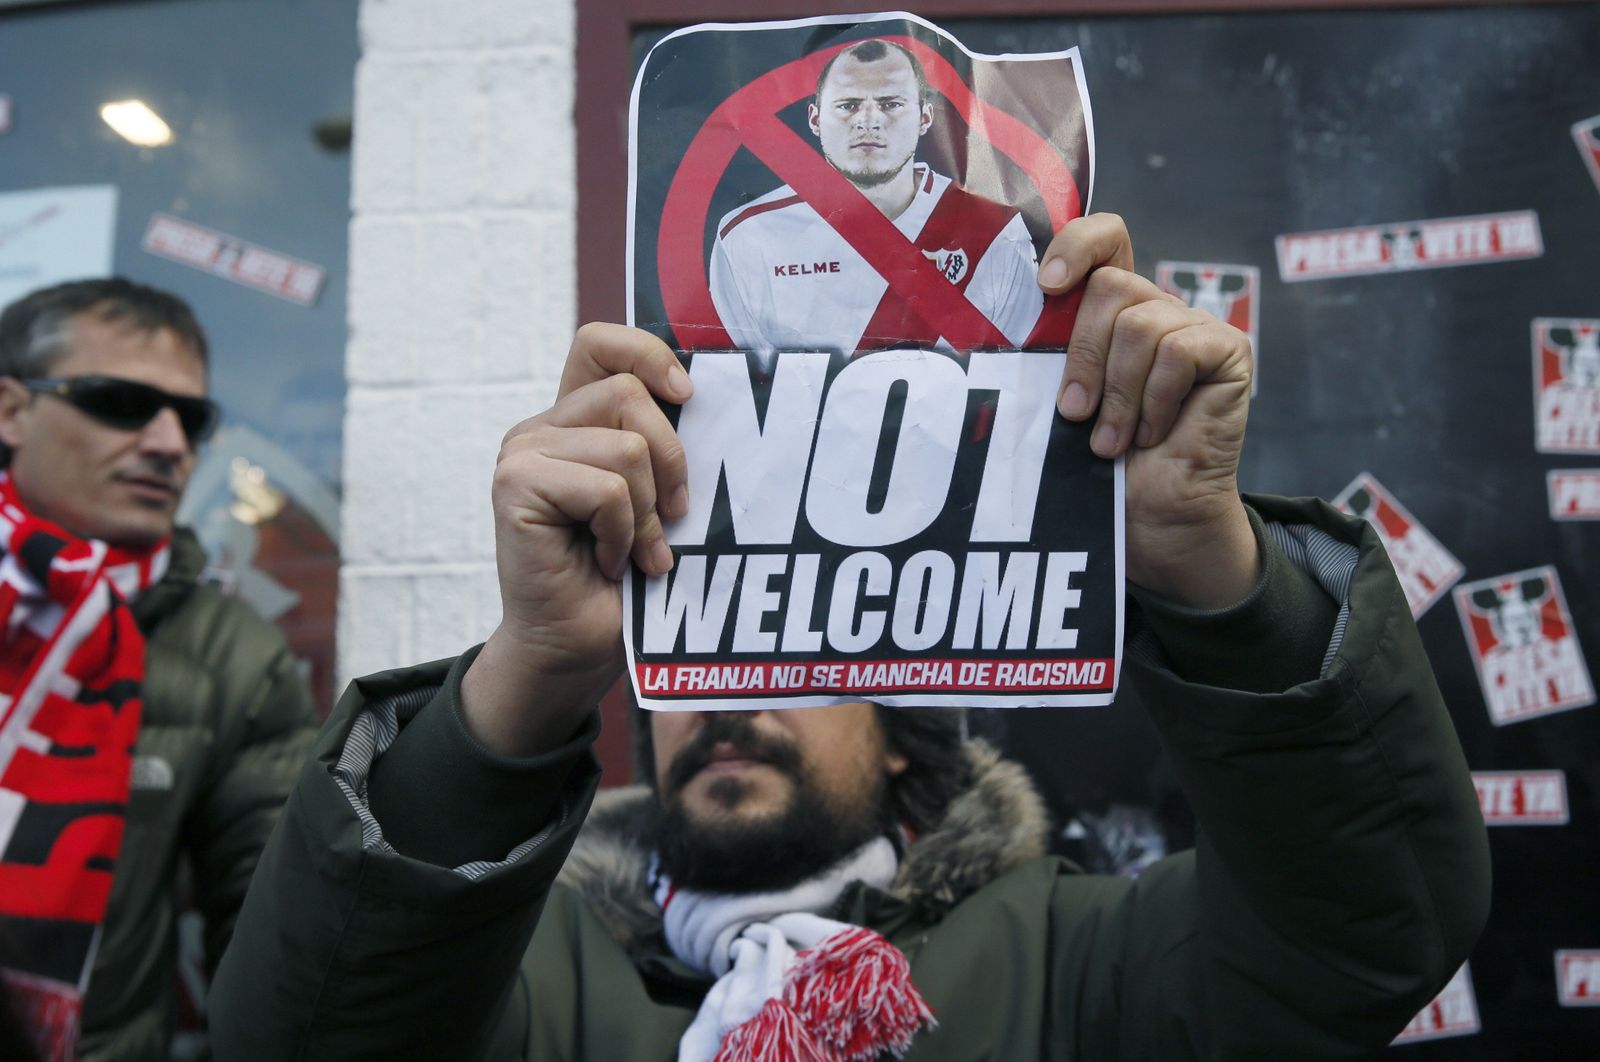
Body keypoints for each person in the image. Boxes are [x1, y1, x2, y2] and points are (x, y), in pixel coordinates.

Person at [212, 215, 1490, 1059]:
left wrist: (1211, 574)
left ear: (896, 732)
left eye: (793, 666)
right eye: (706, 658)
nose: (727, 704)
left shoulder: (1074, 952)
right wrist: (530, 672)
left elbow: (1366, 935)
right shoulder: (522, 967)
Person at [0, 279, 317, 1062]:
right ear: (10, 412)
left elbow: (280, 960)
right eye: (120, 401)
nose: (171, 443)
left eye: (194, 417)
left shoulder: (232, 656)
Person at [709, 38, 1046, 355]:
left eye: (890, 104)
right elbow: (739, 390)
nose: (868, 121)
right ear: (815, 119)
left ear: (925, 117)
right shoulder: (747, 236)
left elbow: (1026, 387)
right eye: (848, 105)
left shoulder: (995, 232)